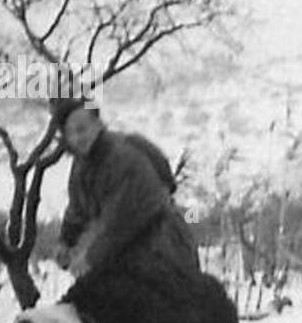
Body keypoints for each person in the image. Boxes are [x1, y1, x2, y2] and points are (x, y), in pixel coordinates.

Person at [50, 96, 200, 300]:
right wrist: (65, 241)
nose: (77, 138)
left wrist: (89, 257)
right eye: (70, 133)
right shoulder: (82, 164)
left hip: (162, 248)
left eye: (82, 129)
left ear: (98, 124)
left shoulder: (122, 159)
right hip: (126, 253)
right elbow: (77, 207)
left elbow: (119, 222)